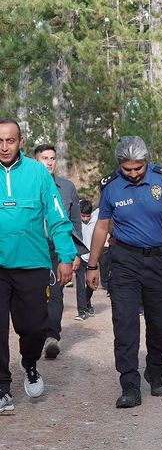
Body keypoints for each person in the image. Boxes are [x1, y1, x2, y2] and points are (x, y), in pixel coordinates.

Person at [86, 136, 162, 409]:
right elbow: (101, 227)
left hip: (160, 260)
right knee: (125, 323)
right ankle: (130, 385)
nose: (133, 174)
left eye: (138, 168)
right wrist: (92, 264)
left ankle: (155, 370)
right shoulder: (111, 187)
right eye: (127, 168)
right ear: (119, 164)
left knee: (160, 324)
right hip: (125, 261)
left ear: (147, 161)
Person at [0, 119, 76, 413]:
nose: (4, 147)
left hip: (32, 265)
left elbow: (58, 217)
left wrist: (67, 257)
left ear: (20, 142)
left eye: (10, 140)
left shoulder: (38, 175)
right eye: (0, 141)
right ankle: (2, 387)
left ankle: (30, 363)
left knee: (33, 328)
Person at [34, 143, 82, 360]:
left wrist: (75, 254)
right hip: (32, 249)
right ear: (36, 161)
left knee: (56, 293)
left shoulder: (67, 187)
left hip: (57, 249)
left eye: (52, 158)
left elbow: (74, 223)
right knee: (32, 295)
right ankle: (35, 334)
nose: (50, 162)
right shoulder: (26, 185)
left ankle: (52, 336)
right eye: (45, 158)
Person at [75, 199, 99, 320]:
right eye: (82, 216)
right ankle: (82, 310)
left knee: (91, 284)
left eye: (87, 216)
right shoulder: (76, 222)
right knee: (80, 284)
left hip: (92, 258)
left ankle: (88, 304)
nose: (85, 219)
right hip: (79, 256)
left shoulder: (96, 219)